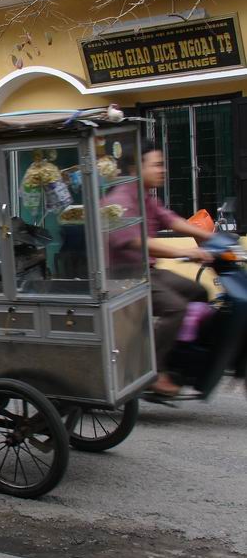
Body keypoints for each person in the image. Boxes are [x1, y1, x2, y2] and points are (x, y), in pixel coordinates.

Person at [106, 142, 213, 396]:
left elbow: (170, 219)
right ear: (136, 167)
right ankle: (151, 370)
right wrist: (183, 251)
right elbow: (135, 241)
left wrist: (207, 236)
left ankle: (181, 360)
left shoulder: (145, 197)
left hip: (148, 272)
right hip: (126, 277)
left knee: (198, 291)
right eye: (157, 165)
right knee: (176, 307)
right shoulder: (121, 199)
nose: (162, 170)